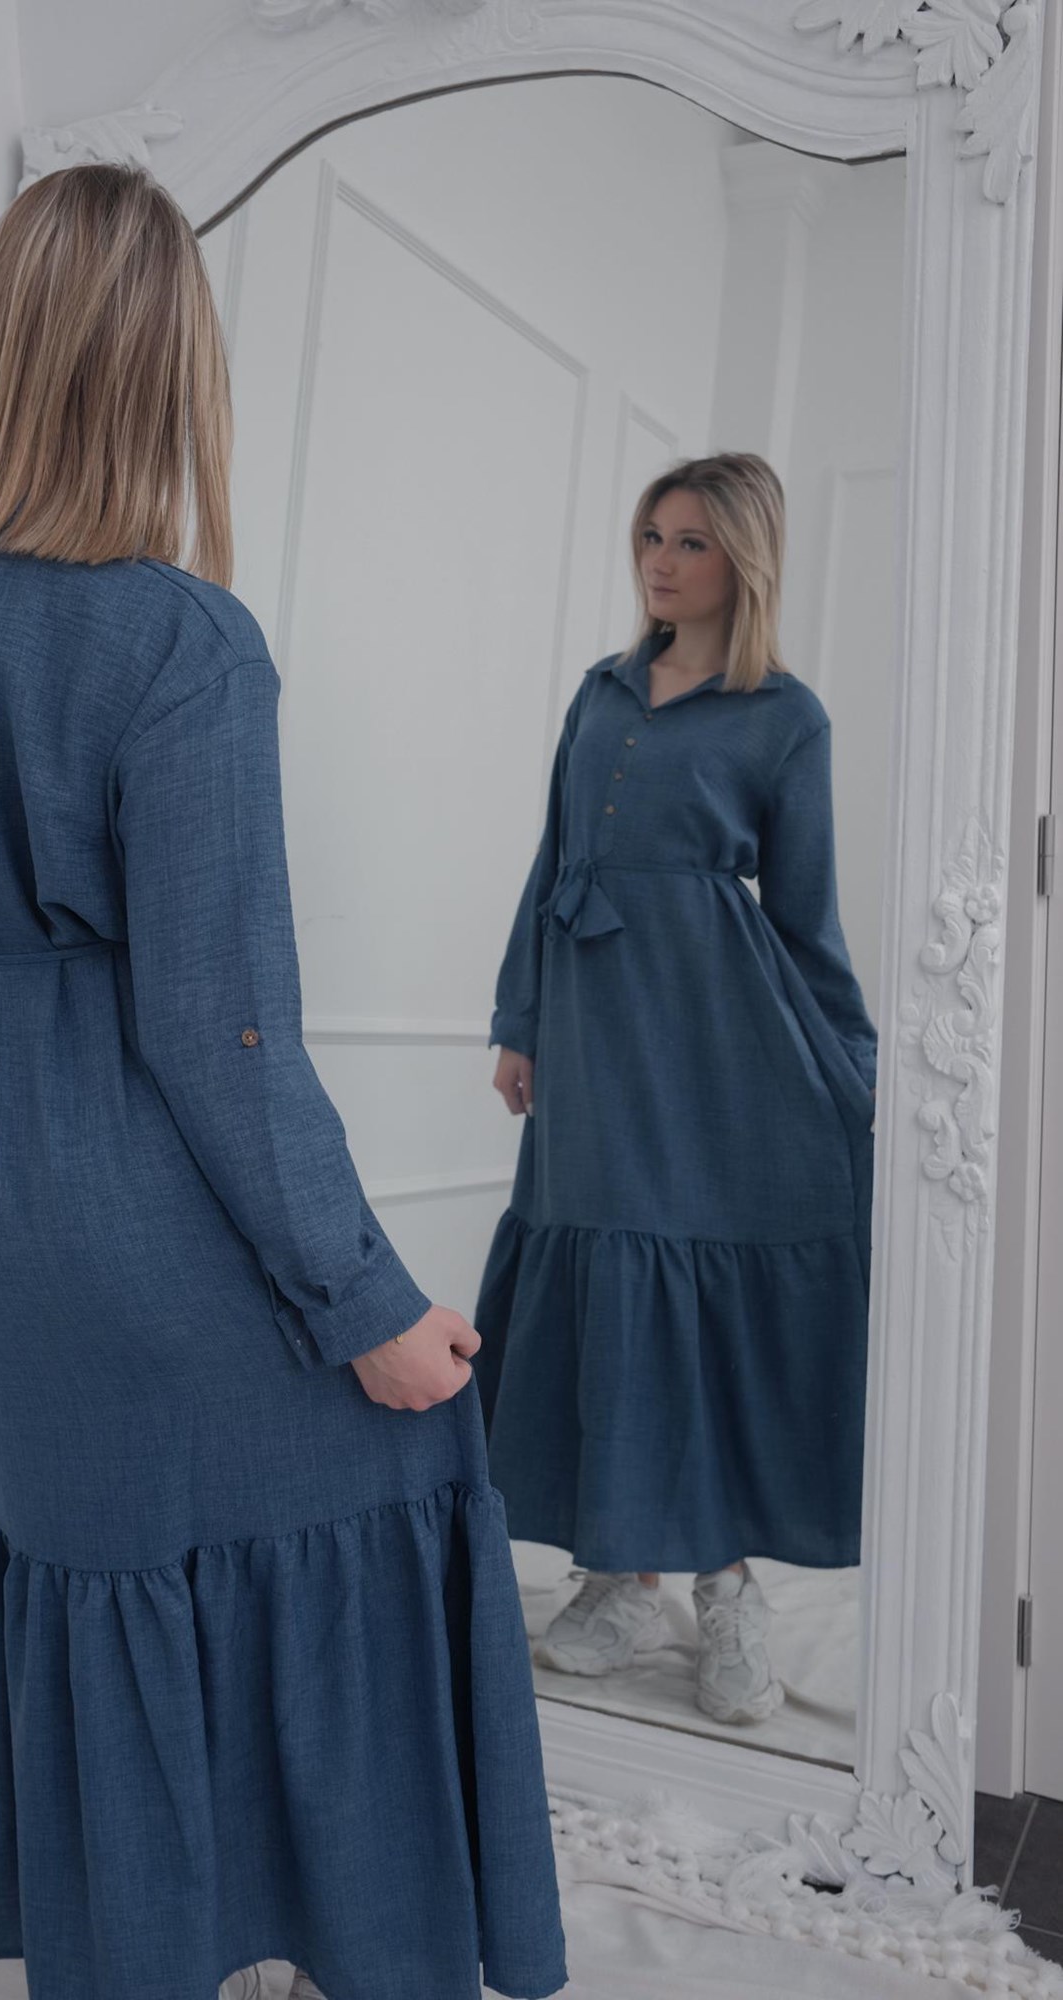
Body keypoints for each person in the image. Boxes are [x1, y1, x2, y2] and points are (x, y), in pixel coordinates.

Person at [0, 163, 568, 2000]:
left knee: (92, 1521)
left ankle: (145, 1924)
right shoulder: (178, 640)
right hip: (132, 1187)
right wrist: (365, 1306)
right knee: (409, 1441)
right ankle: (327, 1926)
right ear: (166, 369)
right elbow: (220, 1035)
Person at [473, 453, 877, 1728]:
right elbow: (552, 863)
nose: (661, 559)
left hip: (717, 1046)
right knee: (607, 1280)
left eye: (691, 540)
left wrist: (854, 1066)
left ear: (741, 557)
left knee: (699, 1306)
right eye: (651, 534)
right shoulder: (600, 692)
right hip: (594, 1042)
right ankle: (621, 1577)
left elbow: (805, 915)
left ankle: (726, 1582)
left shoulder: (786, 716)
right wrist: (519, 1018)